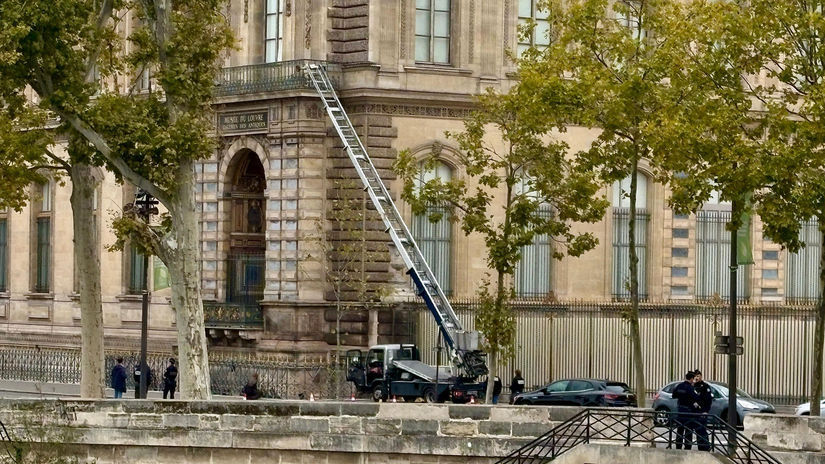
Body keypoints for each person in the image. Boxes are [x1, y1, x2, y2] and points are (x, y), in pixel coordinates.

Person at [672, 370, 700, 450]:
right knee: (688, 431)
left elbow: (674, 395)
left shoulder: (679, 386)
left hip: (680, 410)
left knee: (680, 430)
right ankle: (687, 446)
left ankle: (678, 446)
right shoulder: (690, 388)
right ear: (691, 379)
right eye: (693, 379)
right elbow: (696, 397)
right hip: (688, 412)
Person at [693, 369, 713, 451]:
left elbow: (708, 400)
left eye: (698, 376)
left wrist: (706, 411)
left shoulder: (705, 386)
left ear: (701, 376)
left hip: (702, 412)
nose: (696, 378)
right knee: (697, 431)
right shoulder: (693, 386)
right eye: (695, 376)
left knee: (702, 430)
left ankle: (706, 447)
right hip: (694, 412)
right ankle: (700, 447)